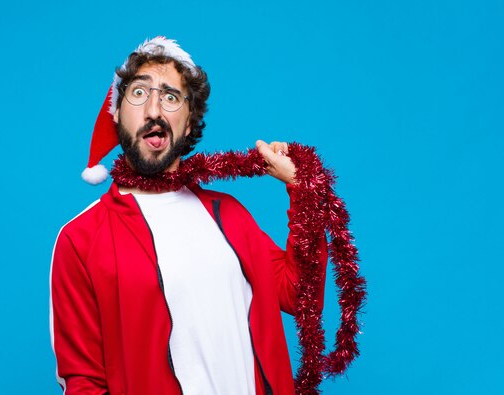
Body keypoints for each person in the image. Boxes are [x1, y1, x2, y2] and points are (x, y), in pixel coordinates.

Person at [50, 37, 327, 395]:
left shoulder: (228, 214)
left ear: (188, 123)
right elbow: (83, 381)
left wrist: (302, 189)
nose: (154, 110)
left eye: (170, 97)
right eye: (138, 93)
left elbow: (299, 293)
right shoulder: (81, 239)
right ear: (116, 113)